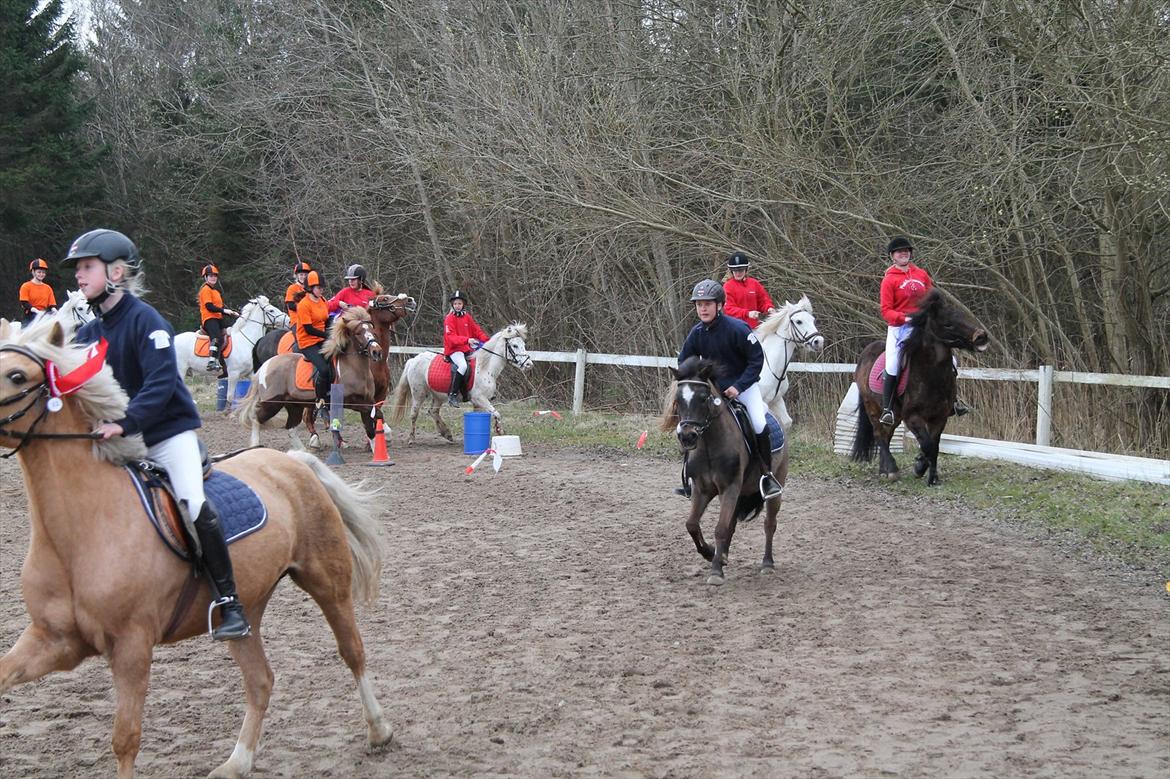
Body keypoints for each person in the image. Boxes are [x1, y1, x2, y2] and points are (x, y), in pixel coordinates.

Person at [64, 229, 250, 641]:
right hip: (120, 441)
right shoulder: (88, 334)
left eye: (87, 267)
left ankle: (229, 602)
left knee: (193, 502)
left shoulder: (147, 321)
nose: (78, 275)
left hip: (166, 436)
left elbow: (161, 383)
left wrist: (124, 422)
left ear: (116, 272)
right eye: (77, 268)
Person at [676, 279, 783, 500]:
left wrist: (738, 386)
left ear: (720, 305)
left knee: (759, 423)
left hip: (744, 387)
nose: (703, 309)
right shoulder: (696, 333)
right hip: (713, 391)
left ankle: (767, 476)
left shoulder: (738, 329)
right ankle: (690, 477)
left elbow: (756, 360)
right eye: (699, 305)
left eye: (708, 304)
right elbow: (684, 361)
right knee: (688, 425)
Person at [878, 236, 968, 425]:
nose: (904, 253)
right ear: (892, 256)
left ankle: (953, 401)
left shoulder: (921, 274)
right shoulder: (889, 280)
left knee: (950, 360)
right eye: (899, 251)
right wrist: (905, 318)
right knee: (893, 363)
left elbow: (933, 298)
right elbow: (886, 311)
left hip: (924, 327)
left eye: (906, 250)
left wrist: (938, 314)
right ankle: (888, 409)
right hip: (900, 328)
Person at [294, 270, 333, 417]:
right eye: (319, 287)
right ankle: (320, 401)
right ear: (310, 288)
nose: (321, 290)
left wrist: (333, 328)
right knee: (323, 369)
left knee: (335, 362)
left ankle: (331, 394)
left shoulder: (322, 300)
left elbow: (326, 319)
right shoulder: (304, 304)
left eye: (322, 287)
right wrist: (327, 335)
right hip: (307, 342)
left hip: (321, 339)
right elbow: (308, 329)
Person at [443, 290, 489, 407]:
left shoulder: (467, 317)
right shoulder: (449, 318)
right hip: (454, 350)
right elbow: (451, 338)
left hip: (466, 349)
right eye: (455, 304)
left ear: (463, 304)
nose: (457, 306)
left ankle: (479, 391)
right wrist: (467, 340)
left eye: (459, 303)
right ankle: (453, 395)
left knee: (479, 364)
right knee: (463, 366)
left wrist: (487, 341)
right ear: (452, 305)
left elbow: (476, 331)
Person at [197, 264, 238, 377]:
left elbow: (219, 308)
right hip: (209, 318)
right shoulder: (205, 290)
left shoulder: (216, 292)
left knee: (229, 336)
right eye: (210, 276)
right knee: (217, 337)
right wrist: (225, 311)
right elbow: (209, 307)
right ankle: (212, 361)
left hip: (218, 318)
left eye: (215, 276)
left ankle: (224, 365)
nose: (213, 278)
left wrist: (231, 313)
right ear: (205, 277)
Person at [722, 251, 777, 329]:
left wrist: (769, 308)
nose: (738, 273)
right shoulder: (727, 286)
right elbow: (729, 309)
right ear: (731, 271)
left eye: (740, 270)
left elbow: (763, 301)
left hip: (756, 328)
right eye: (735, 270)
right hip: (736, 329)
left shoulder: (754, 283)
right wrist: (747, 313)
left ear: (746, 270)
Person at [19, 258, 58, 326]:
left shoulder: (48, 288)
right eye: (39, 272)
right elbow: (24, 303)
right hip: (30, 315)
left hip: (44, 315)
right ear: (33, 272)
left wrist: (55, 311)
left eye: (43, 272)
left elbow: (52, 305)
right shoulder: (25, 286)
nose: (41, 274)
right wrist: (36, 311)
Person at [284, 261, 312, 337]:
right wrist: (308, 308)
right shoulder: (292, 288)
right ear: (297, 276)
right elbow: (291, 306)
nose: (303, 277)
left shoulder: (311, 289)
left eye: (305, 275)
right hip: (297, 321)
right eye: (301, 274)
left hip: (312, 319)